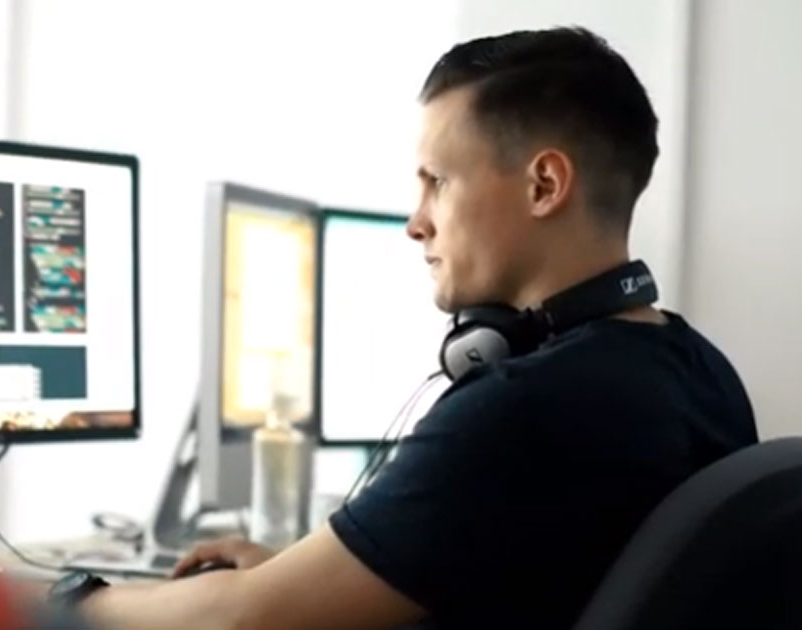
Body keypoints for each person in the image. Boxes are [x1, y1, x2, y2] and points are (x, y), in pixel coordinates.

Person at [71, 26, 758, 629]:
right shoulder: (700, 372)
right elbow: (544, 576)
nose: (415, 221)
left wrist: (65, 599)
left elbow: (244, 618)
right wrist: (320, 568)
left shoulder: (524, 407)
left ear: (544, 185)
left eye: (438, 182)